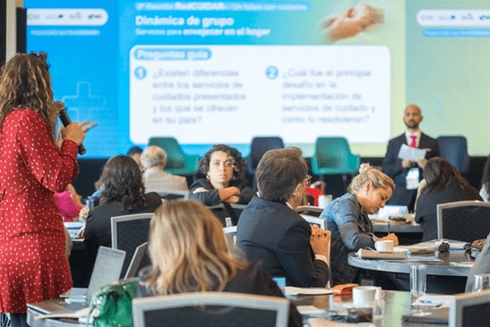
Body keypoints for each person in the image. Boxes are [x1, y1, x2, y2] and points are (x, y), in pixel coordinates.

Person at [0, 52, 96, 326]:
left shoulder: (9, 120)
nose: (52, 89)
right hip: (34, 244)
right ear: (38, 85)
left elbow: (33, 173)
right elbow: (55, 178)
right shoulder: (27, 119)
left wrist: (60, 140)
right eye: (48, 82)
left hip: (15, 240)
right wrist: (70, 142)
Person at [137, 200, 303, 327]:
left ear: (159, 242)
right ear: (214, 231)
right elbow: (292, 322)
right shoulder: (252, 275)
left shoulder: (149, 285)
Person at [236, 147, 331, 287]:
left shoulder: (250, 210)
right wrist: (321, 252)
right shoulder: (293, 225)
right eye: (306, 181)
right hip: (281, 303)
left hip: (251, 297)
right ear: (297, 190)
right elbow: (313, 285)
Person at [83, 155, 162, 284]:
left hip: (112, 284)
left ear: (106, 180)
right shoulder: (155, 202)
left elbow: (89, 257)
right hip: (150, 278)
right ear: (138, 177)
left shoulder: (98, 215)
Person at [320, 163, 398, 286]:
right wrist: (383, 242)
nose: (383, 205)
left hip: (350, 278)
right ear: (368, 186)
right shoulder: (346, 204)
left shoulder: (361, 210)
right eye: (382, 197)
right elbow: (353, 240)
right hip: (338, 283)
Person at [382, 104, 440, 212]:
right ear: (403, 118)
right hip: (400, 194)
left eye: (414, 114)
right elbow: (385, 169)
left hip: (424, 192)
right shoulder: (394, 143)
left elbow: (440, 170)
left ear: (421, 118)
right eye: (408, 114)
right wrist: (401, 165)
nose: (411, 117)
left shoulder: (432, 142)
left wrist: (427, 166)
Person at [414, 157, 482, 242]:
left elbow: (417, 220)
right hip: (470, 249)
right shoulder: (471, 191)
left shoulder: (426, 195)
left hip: (435, 249)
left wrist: (420, 187)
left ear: (428, 176)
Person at [189, 144, 254, 206]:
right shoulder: (200, 184)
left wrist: (213, 198)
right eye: (216, 163)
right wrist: (233, 190)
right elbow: (201, 199)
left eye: (228, 164)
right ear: (207, 169)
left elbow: (251, 198)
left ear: (234, 169)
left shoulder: (240, 185)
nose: (222, 168)